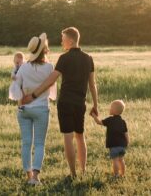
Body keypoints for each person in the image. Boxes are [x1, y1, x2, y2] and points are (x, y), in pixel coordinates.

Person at [20, 27, 98, 179]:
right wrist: (95, 105)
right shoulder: (89, 58)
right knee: (80, 136)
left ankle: (73, 174)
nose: (61, 41)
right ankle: (83, 171)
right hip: (80, 103)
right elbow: (92, 84)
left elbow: (50, 80)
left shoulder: (64, 58)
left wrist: (34, 94)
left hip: (65, 103)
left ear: (70, 40)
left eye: (63, 38)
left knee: (68, 137)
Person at [16, 34, 56, 186]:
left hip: (24, 109)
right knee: (39, 144)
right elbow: (52, 89)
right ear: (44, 50)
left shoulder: (23, 68)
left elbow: (16, 88)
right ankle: (35, 177)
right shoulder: (49, 67)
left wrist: (20, 103)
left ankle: (28, 176)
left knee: (26, 143)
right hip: (41, 109)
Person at [92, 99, 128, 178]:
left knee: (115, 160)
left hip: (114, 145)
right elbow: (126, 133)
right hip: (122, 145)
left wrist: (94, 116)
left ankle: (116, 175)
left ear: (114, 111)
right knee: (121, 160)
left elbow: (99, 122)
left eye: (111, 108)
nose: (109, 109)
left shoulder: (110, 120)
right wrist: (127, 143)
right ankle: (123, 174)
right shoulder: (123, 122)